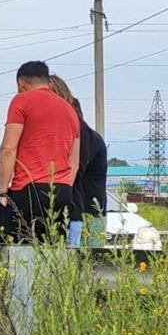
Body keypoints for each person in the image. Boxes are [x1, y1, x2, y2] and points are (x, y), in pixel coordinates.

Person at [0, 61, 80, 243]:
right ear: (48, 82)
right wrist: (64, 187)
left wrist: (2, 191)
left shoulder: (22, 100)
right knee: (54, 253)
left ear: (21, 83)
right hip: (62, 191)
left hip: (29, 189)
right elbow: (74, 163)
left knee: (18, 253)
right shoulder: (70, 110)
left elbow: (8, 149)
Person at [48, 76, 107, 248]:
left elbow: (73, 171)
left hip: (86, 214)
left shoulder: (78, 130)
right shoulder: (74, 127)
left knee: (83, 266)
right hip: (77, 211)